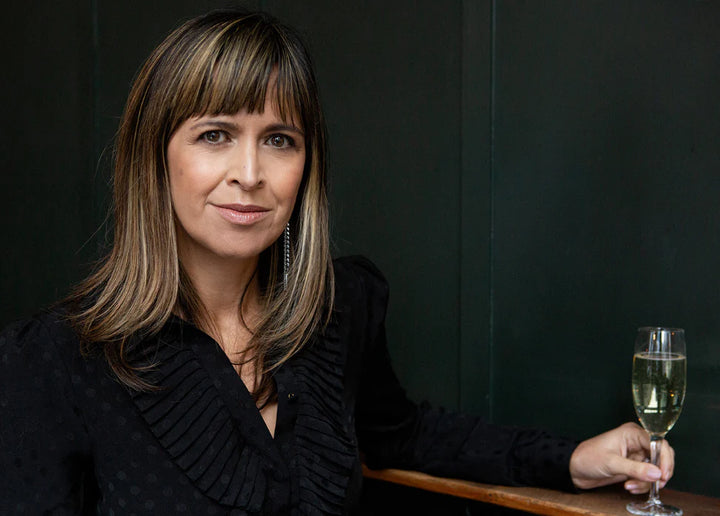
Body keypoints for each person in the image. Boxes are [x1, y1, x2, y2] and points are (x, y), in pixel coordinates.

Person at [0, 10, 674, 515]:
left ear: (307, 166)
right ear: (155, 158)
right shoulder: (55, 361)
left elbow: (405, 434)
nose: (250, 173)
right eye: (215, 135)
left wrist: (572, 459)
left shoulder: (336, 309)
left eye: (280, 140)